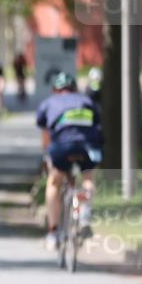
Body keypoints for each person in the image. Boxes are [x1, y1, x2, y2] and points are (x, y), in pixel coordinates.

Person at [36, 71, 104, 250]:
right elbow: (97, 124)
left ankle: (53, 233)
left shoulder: (48, 103)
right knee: (88, 177)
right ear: (74, 88)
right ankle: (84, 214)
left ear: (54, 90)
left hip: (62, 147)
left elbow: (46, 139)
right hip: (88, 146)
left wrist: (47, 156)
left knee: (54, 183)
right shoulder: (87, 101)